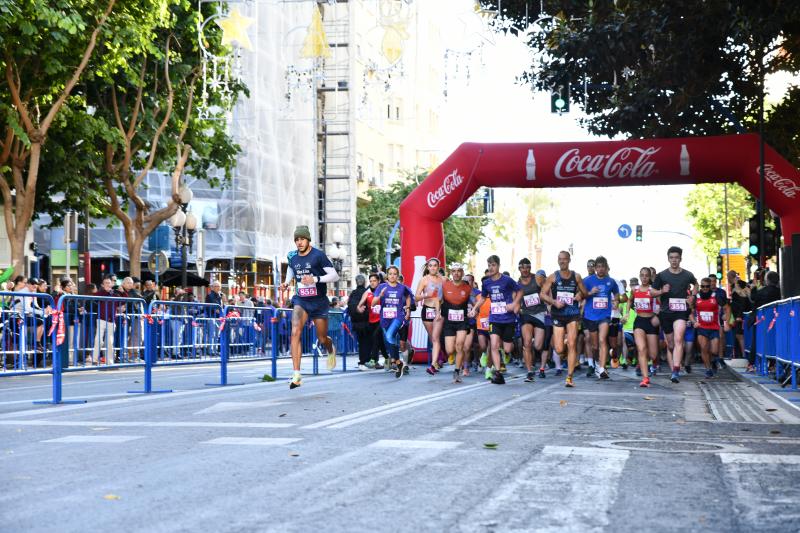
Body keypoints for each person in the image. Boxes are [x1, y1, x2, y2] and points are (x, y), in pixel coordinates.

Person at [279, 225, 340, 389]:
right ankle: (297, 375)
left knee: (322, 338)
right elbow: (292, 269)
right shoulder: (292, 256)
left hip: (319, 302)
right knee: (295, 331)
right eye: (297, 239)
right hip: (301, 300)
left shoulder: (318, 255)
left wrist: (316, 279)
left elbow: (334, 275)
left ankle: (330, 347)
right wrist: (286, 283)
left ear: (308, 240)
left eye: (302, 239)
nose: (299, 242)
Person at [469, 255, 521, 385]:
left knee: (507, 348)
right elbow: (482, 298)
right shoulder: (486, 283)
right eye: (489, 265)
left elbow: (520, 291)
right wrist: (474, 309)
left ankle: (508, 352)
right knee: (494, 345)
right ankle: (498, 373)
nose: (491, 268)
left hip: (508, 318)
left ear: (498, 266)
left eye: (493, 265)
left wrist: (514, 303)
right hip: (494, 318)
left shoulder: (507, 280)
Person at [540, 251, 588, 388]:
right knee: (559, 349)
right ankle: (567, 350)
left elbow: (585, 292)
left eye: (565, 259)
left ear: (569, 260)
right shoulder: (553, 277)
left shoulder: (576, 276)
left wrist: (579, 294)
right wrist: (553, 302)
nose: (562, 262)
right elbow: (542, 294)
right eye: (560, 259)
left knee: (572, 344)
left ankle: (569, 377)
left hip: (572, 314)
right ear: (557, 260)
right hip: (558, 315)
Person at [651, 246, 698, 383]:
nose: (674, 260)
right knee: (670, 345)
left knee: (679, 339)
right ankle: (674, 366)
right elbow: (652, 292)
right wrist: (661, 291)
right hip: (666, 313)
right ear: (668, 259)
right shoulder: (662, 275)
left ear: (680, 259)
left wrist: (693, 296)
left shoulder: (687, 274)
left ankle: (676, 370)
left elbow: (696, 284)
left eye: (676, 258)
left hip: (681, 312)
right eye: (671, 258)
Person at [358, 266, 411, 378]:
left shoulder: (402, 287)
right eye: (390, 274)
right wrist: (380, 296)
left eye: (395, 274)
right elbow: (372, 303)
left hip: (398, 316)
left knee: (389, 335)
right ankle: (397, 362)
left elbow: (408, 296)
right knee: (389, 340)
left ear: (397, 275)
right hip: (385, 317)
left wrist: (408, 309)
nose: (392, 276)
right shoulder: (382, 287)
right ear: (387, 275)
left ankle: (396, 361)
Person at [581, 256, 624, 380]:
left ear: (606, 268)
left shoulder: (610, 281)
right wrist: (590, 293)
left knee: (602, 340)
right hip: (591, 316)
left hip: (605, 315)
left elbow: (616, 293)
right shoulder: (588, 281)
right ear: (595, 268)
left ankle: (601, 368)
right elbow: (580, 294)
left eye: (602, 267)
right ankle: (595, 363)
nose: (600, 269)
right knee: (594, 346)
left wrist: (616, 300)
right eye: (598, 267)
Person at [517, 258, 547, 382]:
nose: (525, 270)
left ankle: (533, 358)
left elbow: (547, 291)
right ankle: (529, 371)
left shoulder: (537, 278)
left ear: (530, 268)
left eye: (527, 267)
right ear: (519, 269)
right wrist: (517, 307)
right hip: (526, 314)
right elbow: (515, 298)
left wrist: (548, 302)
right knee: (527, 343)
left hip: (539, 313)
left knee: (538, 346)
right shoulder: (517, 284)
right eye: (522, 267)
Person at [439, 263, 470, 383]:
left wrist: (474, 309)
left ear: (462, 273)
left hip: (462, 321)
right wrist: (437, 312)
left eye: (459, 271)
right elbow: (439, 299)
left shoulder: (467, 287)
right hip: (449, 321)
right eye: (454, 271)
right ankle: (454, 358)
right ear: (451, 273)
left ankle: (457, 371)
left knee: (460, 345)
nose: (456, 273)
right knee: (449, 350)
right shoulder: (445, 286)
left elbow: (475, 298)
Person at [695, 277, 731, 378]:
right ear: (700, 286)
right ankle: (708, 369)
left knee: (714, 350)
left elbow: (727, 308)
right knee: (704, 348)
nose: (705, 288)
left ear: (710, 286)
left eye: (707, 286)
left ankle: (713, 361)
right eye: (703, 286)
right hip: (702, 327)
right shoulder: (696, 297)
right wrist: (694, 321)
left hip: (714, 327)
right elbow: (690, 310)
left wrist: (726, 320)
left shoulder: (716, 296)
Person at [747, 271, 782, 371]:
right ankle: (772, 364)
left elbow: (753, 299)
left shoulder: (762, 291)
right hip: (775, 320)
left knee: (756, 341)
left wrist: (753, 287)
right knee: (774, 341)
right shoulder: (779, 292)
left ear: (767, 280)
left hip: (760, 321)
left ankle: (752, 364)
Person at [415, 258, 444, 372]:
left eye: (435, 265)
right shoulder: (424, 280)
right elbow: (416, 297)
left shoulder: (443, 280)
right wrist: (427, 295)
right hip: (427, 310)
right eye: (430, 265)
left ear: (438, 267)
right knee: (433, 338)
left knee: (436, 338)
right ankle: (438, 358)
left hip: (439, 311)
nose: (432, 268)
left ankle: (432, 365)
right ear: (428, 267)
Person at [631, 267, 659, 387]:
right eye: (642, 275)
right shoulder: (635, 290)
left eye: (646, 275)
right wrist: (627, 312)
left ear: (650, 277)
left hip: (651, 321)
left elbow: (661, 304)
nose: (644, 278)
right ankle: (645, 378)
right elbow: (629, 301)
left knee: (653, 354)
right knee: (641, 348)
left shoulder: (653, 290)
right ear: (639, 276)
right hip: (639, 321)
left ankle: (654, 363)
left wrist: (657, 315)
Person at [347, 274, 373, 371]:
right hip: (367, 322)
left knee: (361, 343)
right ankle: (366, 360)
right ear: (365, 282)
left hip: (357, 323)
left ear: (356, 282)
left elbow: (350, 308)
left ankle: (362, 361)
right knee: (368, 342)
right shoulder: (367, 293)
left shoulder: (353, 294)